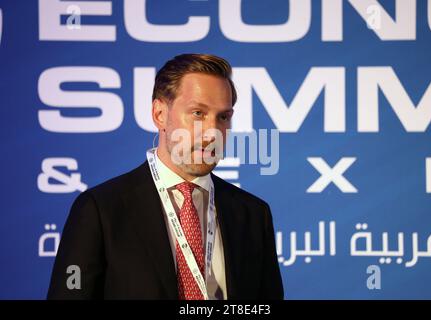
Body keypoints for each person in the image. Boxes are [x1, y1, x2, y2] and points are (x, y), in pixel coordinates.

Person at [47, 53, 284, 300]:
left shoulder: (254, 215)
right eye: (198, 113)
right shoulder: (100, 209)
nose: (212, 132)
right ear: (160, 114)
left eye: (223, 117)